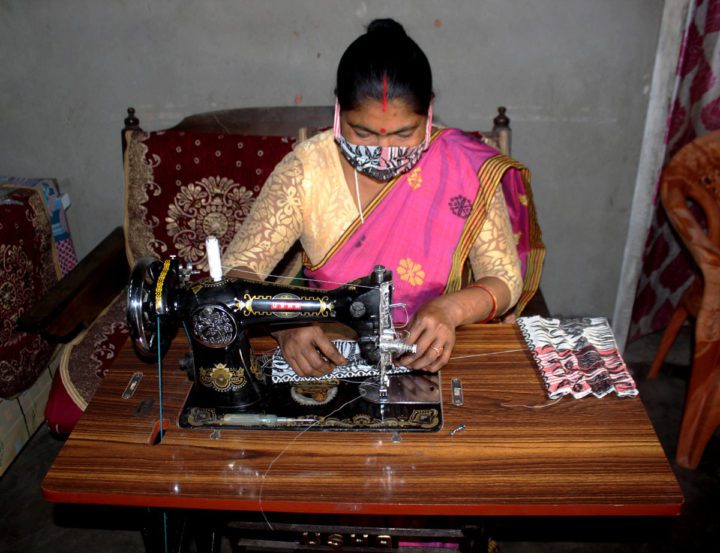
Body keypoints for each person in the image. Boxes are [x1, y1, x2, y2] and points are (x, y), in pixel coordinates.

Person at [223, 18, 544, 378]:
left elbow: (503, 279)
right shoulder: (306, 172)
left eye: (404, 134)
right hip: (334, 352)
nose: (383, 151)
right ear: (338, 112)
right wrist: (284, 323)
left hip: (441, 349)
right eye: (363, 133)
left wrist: (451, 311)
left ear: (429, 114)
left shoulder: (463, 168)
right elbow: (236, 271)